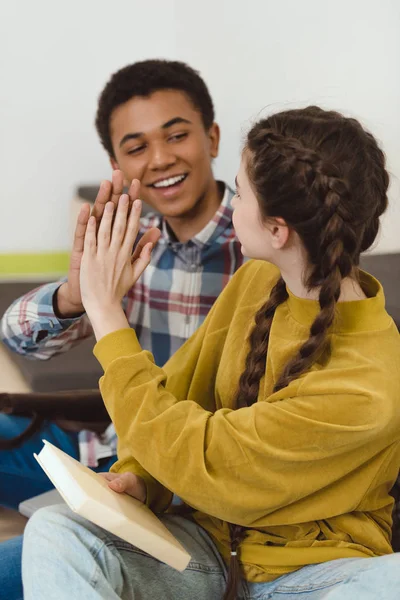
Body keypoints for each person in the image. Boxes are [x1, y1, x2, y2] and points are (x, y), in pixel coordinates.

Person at [22, 106, 400, 600]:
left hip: (319, 576)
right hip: (206, 553)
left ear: (278, 229)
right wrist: (140, 479)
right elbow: (174, 396)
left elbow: (211, 458)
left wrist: (106, 314)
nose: (231, 203)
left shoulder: (369, 385)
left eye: (240, 192)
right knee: (55, 529)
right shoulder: (258, 281)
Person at [0, 59, 243, 600]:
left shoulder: (262, 236)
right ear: (116, 163)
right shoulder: (130, 241)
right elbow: (16, 337)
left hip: (183, 485)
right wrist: (76, 292)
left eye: (176, 135)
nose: (160, 159)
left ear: (213, 136)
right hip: (107, 460)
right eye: (136, 148)